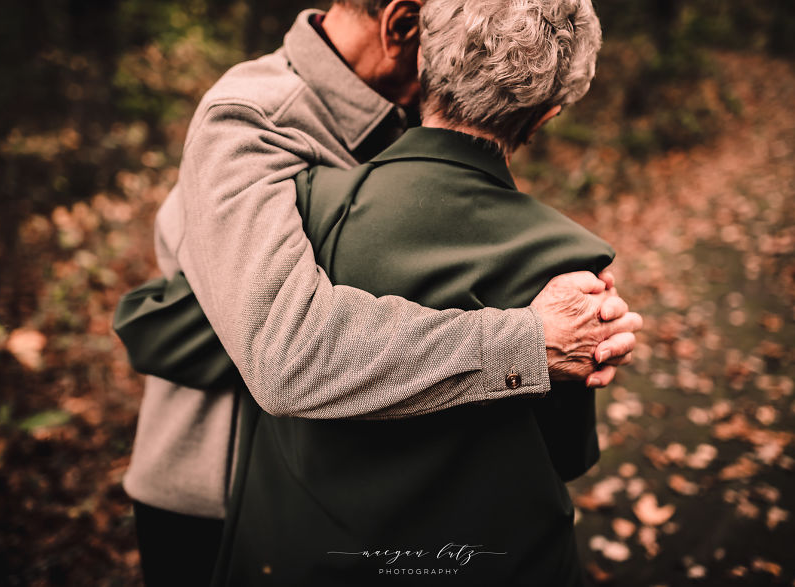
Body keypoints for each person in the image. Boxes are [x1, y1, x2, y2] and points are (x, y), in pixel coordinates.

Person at [114, 0, 642, 584]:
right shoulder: (252, 118)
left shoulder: (410, 113)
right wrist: (528, 342)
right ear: (403, 26)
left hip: (343, 493)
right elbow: (284, 351)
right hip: (210, 496)